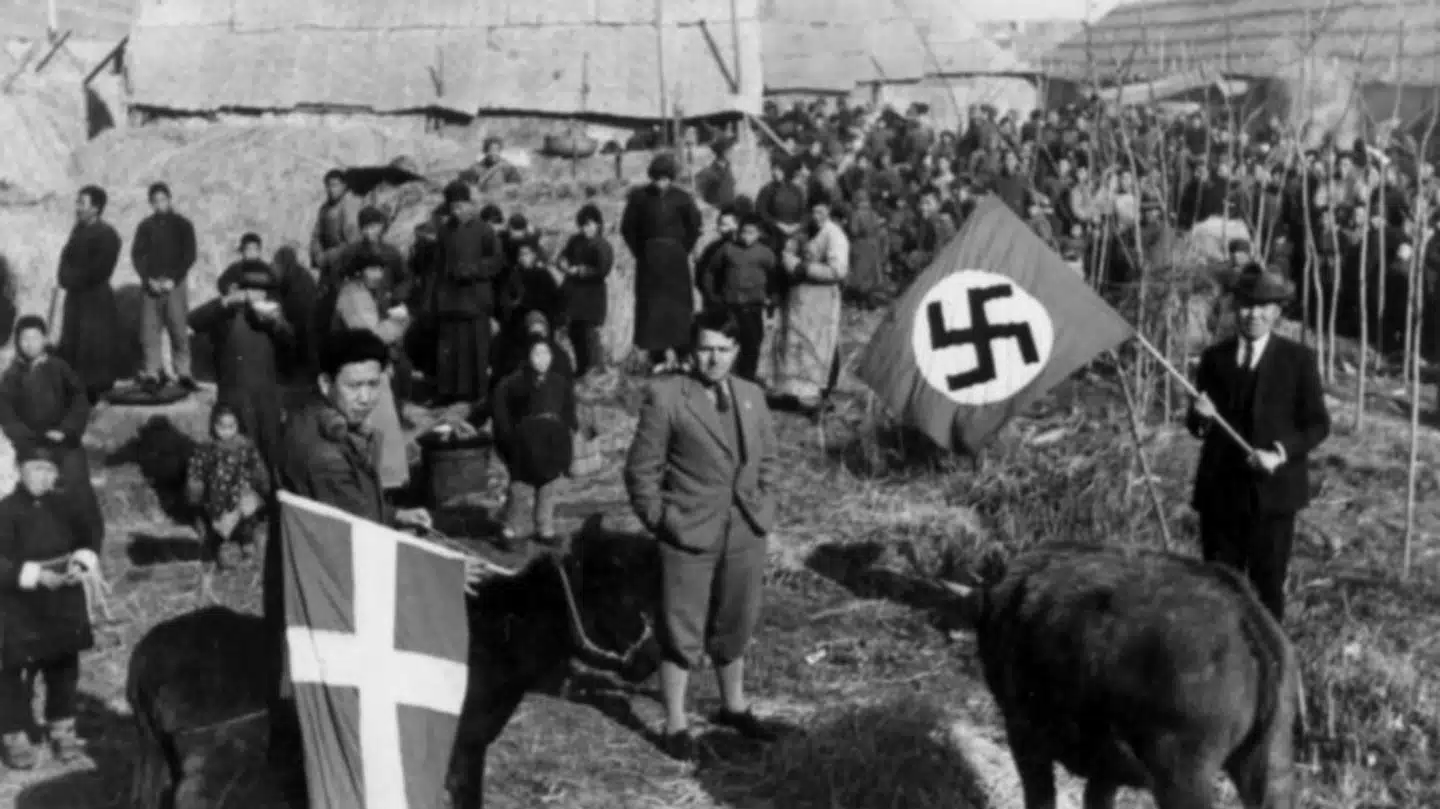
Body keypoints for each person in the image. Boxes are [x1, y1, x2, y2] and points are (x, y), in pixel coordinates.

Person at [265, 329, 485, 780]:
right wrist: (439, 574)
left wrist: (395, 514)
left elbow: (354, 508)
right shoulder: (324, 453)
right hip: (324, 593)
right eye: (354, 386)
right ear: (326, 383)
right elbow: (358, 535)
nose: (365, 398)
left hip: (315, 578)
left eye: (373, 385)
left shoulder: (315, 420)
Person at [623, 309, 781, 761]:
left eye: (723, 349)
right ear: (691, 351)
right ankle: (675, 722)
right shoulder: (668, 396)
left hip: (745, 529)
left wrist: (765, 508)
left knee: (737, 619)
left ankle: (734, 706)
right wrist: (663, 521)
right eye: (705, 349)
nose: (714, 359)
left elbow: (769, 460)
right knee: (682, 627)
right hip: (689, 532)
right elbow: (641, 471)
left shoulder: (751, 395)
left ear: (737, 351)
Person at [1186, 265, 1331, 622]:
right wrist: (1201, 415)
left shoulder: (1297, 360)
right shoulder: (1214, 358)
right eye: (1247, 306)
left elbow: (1318, 424)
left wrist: (1279, 453)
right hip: (1220, 495)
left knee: (1267, 588)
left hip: (1274, 497)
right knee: (1218, 588)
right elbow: (1196, 427)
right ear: (1236, 309)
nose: (1254, 315)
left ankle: (1268, 654)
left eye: (1263, 307)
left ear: (1277, 312)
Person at [0, 443, 102, 769]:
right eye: (34, 469)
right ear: (19, 471)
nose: (41, 477)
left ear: (56, 475)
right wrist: (33, 575)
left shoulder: (67, 506)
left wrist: (81, 563)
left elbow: (89, 537)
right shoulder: (5, 510)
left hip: (63, 596)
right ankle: (13, 733)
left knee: (63, 665)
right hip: (19, 602)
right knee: (12, 669)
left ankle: (62, 729)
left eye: (48, 471)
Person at [0, 315, 104, 543]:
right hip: (31, 446)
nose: (29, 344)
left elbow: (79, 400)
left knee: (77, 490)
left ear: (44, 340)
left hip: (64, 443)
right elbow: (6, 412)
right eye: (24, 339)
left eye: (35, 338)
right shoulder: (12, 375)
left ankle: (88, 547)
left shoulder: (59, 368)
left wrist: (65, 430)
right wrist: (26, 437)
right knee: (34, 495)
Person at [189, 261, 291, 475]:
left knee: (270, 451)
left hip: (267, 396)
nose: (259, 295)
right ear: (241, 291)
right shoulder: (227, 313)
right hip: (234, 395)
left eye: (263, 291)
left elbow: (291, 344)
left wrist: (278, 323)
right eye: (253, 290)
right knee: (234, 454)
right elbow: (193, 320)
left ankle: (271, 492)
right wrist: (227, 301)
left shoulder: (273, 313)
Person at [330, 255, 411, 493]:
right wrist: (398, 323)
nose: (377, 275)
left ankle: (380, 482)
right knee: (374, 425)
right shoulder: (353, 297)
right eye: (371, 269)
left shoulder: (363, 293)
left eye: (379, 269)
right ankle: (378, 483)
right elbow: (370, 336)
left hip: (367, 366)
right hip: (358, 370)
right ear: (359, 272)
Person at [491, 334, 578, 550]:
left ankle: (544, 529)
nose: (542, 359)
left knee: (548, 485)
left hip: (551, 443)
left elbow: (568, 412)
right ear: (527, 356)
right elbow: (501, 414)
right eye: (537, 354)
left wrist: (568, 434)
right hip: (524, 446)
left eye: (546, 353)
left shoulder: (559, 382)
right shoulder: (513, 383)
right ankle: (510, 530)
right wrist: (508, 439)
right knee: (520, 488)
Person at [620, 153, 704, 374]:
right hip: (649, 263)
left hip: (676, 262)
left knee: (678, 308)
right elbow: (627, 228)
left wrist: (681, 250)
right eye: (657, 178)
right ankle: (656, 357)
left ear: (671, 178)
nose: (661, 183)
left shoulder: (683, 198)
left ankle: (683, 355)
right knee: (652, 308)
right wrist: (642, 252)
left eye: (665, 178)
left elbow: (694, 227)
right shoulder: (639, 198)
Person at [773, 194, 850, 416]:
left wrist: (806, 269)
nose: (816, 216)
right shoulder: (803, 230)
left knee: (823, 343)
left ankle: (824, 393)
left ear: (828, 212)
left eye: (821, 212)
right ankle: (794, 391)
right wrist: (790, 263)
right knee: (797, 343)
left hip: (822, 298)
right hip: (800, 297)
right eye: (813, 212)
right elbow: (788, 251)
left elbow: (838, 270)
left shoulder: (834, 235)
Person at [430, 181, 505, 408]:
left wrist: (472, 269)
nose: (457, 212)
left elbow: (497, 261)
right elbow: (437, 266)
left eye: (461, 206)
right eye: (453, 208)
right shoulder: (444, 231)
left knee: (476, 348)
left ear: (470, 205)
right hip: (450, 300)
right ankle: (448, 393)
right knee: (450, 348)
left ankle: (478, 395)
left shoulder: (484, 230)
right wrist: (435, 297)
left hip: (475, 299)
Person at [56, 185, 123, 404]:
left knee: (93, 347)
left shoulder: (107, 235)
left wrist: (73, 279)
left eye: (81, 203)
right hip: (75, 300)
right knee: (72, 343)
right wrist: (64, 278)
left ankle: (93, 395)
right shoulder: (77, 231)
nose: (77, 208)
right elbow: (65, 260)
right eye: (77, 202)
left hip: (96, 301)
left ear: (95, 208)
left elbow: (100, 270)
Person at [131, 182, 199, 392]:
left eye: (163, 199)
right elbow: (137, 255)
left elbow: (189, 254)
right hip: (151, 286)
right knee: (149, 331)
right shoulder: (145, 227)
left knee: (178, 328)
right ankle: (153, 372)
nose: (159, 204)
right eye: (155, 201)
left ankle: (183, 372)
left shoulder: (183, 225)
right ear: (150, 203)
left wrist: (173, 279)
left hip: (174, 285)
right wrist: (147, 280)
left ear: (169, 200)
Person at [185, 403, 270, 564]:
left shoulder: (245, 445)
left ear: (237, 425)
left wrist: (263, 485)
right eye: (222, 426)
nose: (226, 431)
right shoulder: (206, 447)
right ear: (213, 425)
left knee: (246, 520)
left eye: (231, 426)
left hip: (241, 493)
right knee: (216, 525)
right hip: (216, 497)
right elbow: (196, 470)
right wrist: (194, 492)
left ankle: (247, 544)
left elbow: (257, 466)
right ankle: (216, 547)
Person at [705, 214, 777, 383]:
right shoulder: (727, 249)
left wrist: (773, 298)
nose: (746, 236)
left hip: (753, 307)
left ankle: (747, 381)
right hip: (730, 307)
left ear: (758, 234)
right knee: (727, 344)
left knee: (752, 346)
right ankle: (723, 379)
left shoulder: (765, 253)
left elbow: (775, 277)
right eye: (744, 232)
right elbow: (710, 271)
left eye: (751, 232)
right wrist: (712, 295)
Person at [557, 204, 614, 379]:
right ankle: (581, 370)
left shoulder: (602, 245)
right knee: (575, 332)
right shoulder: (575, 240)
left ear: (598, 224)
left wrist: (581, 270)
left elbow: (603, 269)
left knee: (590, 334)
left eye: (589, 224)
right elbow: (562, 256)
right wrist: (563, 263)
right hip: (574, 296)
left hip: (592, 297)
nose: (586, 229)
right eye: (583, 225)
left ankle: (596, 372)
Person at [309, 169, 362, 288]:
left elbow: (353, 243)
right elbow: (316, 235)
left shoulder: (349, 205)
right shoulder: (324, 209)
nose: (331, 189)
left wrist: (328, 256)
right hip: (327, 264)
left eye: (335, 185)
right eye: (328, 185)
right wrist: (317, 253)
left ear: (344, 186)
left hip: (344, 265)